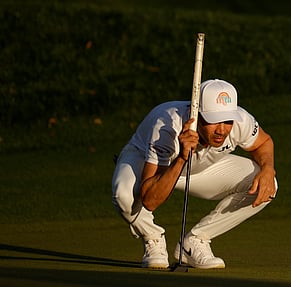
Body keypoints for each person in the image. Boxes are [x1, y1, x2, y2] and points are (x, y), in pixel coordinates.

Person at [111, 79, 277, 269]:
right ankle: (152, 237)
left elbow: (264, 143)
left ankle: (194, 242)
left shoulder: (241, 121)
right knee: (123, 195)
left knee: (267, 184)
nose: (222, 130)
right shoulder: (166, 127)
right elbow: (149, 200)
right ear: (195, 114)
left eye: (228, 120)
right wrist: (182, 157)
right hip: (147, 161)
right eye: (213, 120)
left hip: (200, 168)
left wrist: (267, 169)